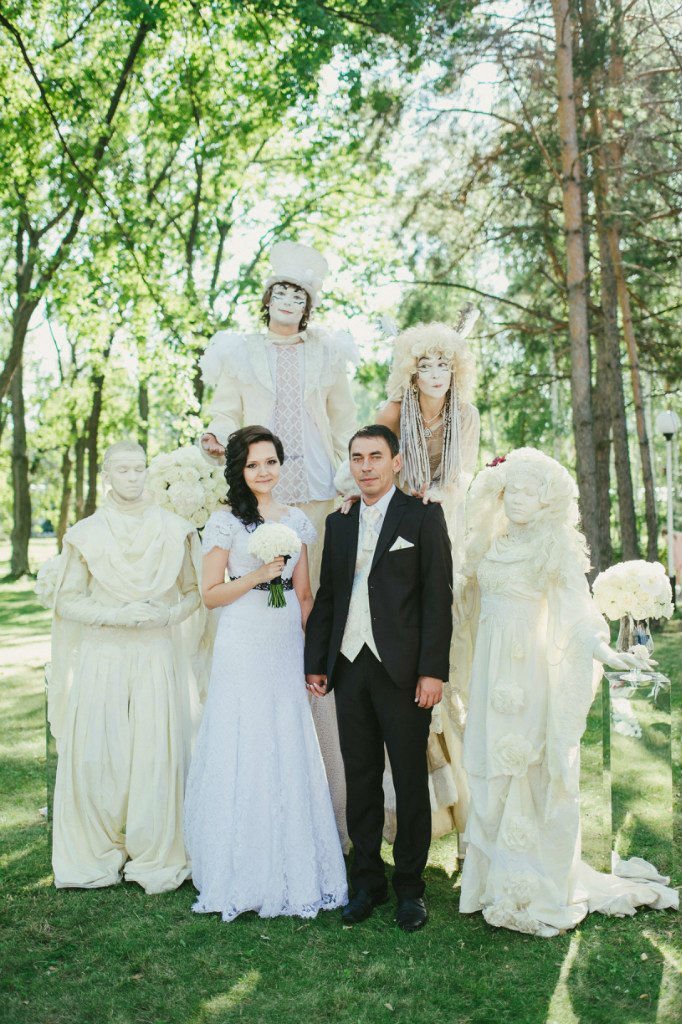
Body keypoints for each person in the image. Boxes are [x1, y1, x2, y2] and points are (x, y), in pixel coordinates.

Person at [457, 448, 679, 936]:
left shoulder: (553, 547)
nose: (518, 499)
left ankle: (532, 884)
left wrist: (606, 651)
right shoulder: (489, 542)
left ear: (547, 500)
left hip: (529, 672)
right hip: (489, 670)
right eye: (512, 490)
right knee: (491, 766)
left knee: (528, 766)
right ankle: (488, 882)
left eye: (529, 492)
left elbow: (577, 616)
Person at [199, 240, 357, 849]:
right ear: (268, 299)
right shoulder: (241, 352)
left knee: (313, 591)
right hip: (258, 485)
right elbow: (223, 411)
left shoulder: (327, 354)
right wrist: (216, 437)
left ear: (308, 305)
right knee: (265, 590)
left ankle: (319, 674)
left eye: (300, 294)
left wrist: (352, 473)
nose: (289, 301)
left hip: (313, 486)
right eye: (281, 292)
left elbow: (342, 419)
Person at [184, 425, 348, 923]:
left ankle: (295, 859)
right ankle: (242, 866)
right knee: (247, 736)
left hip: (285, 639)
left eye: (271, 462)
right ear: (239, 469)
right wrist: (257, 574)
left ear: (281, 465)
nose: (263, 471)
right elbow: (210, 594)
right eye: (253, 464)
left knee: (287, 734)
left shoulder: (296, 520)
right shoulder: (224, 522)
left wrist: (314, 658)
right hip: (243, 635)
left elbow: (305, 594)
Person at [336, 312, 480, 844]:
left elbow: (460, 477)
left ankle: (457, 810)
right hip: (398, 515)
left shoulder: (466, 414)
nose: (436, 374)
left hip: (442, 518)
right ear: (411, 372)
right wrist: (358, 496)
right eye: (426, 365)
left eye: (445, 364)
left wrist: (434, 500)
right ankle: (378, 845)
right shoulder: (394, 411)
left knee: (445, 620)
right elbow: (370, 458)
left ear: (456, 369)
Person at [305, 425, 453, 931]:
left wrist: (432, 671)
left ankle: (411, 888)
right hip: (350, 665)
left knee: (409, 780)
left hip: (405, 672)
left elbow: (437, 597)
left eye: (375, 456)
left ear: (396, 461)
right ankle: (367, 882)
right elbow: (329, 594)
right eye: (357, 457)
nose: (365, 465)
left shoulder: (423, 515)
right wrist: (317, 661)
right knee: (361, 778)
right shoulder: (339, 522)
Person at [43, 441, 207, 893]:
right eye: (123, 470)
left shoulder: (175, 530)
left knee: (156, 750)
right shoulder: (86, 534)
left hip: (156, 651)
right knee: (102, 751)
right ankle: (98, 844)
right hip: (104, 655)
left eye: (139, 469)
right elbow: (67, 602)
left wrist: (167, 615)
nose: (132, 477)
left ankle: (155, 845)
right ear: (107, 476)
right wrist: (115, 615)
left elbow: (195, 593)